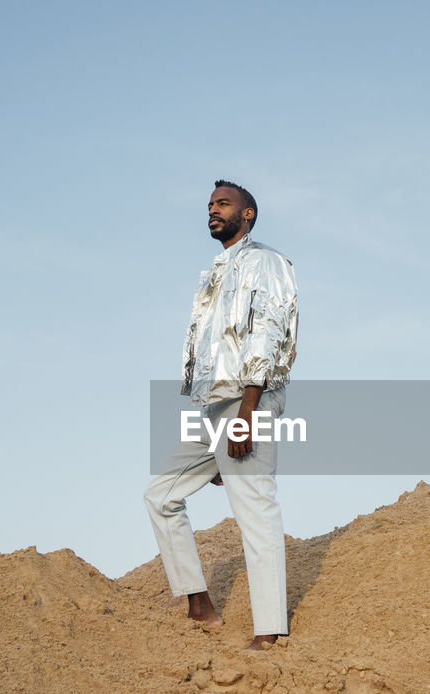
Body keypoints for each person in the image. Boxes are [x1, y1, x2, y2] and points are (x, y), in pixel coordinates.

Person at [143, 179, 299, 651]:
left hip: (248, 402)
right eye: (210, 204)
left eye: (223, 203)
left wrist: (247, 414)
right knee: (160, 494)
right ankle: (199, 603)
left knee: (255, 512)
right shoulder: (214, 269)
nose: (213, 210)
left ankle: (268, 629)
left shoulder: (268, 263)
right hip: (212, 406)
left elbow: (267, 333)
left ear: (247, 214)